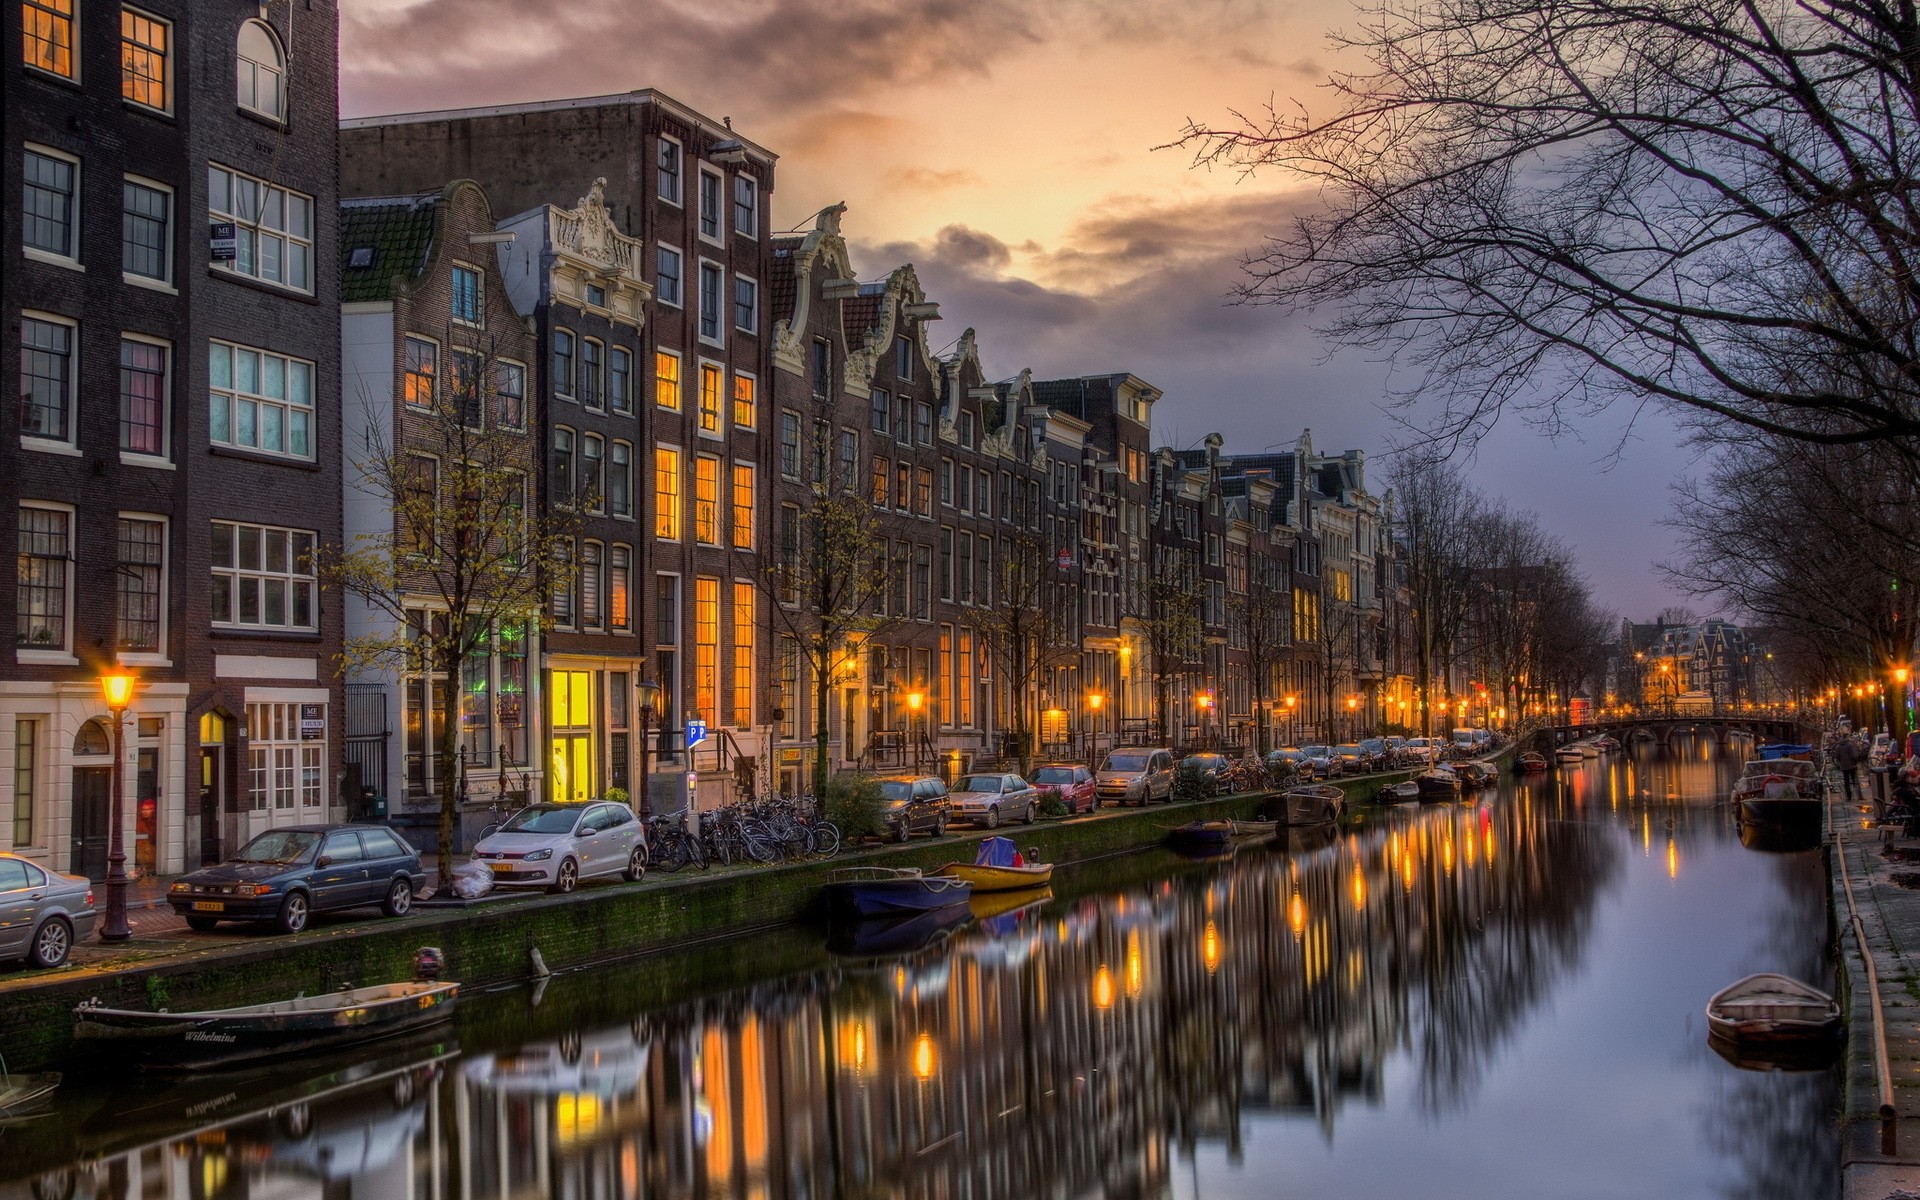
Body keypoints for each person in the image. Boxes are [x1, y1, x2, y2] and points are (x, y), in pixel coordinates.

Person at [1833, 731, 1865, 804]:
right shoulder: (1850, 745)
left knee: (1846, 782)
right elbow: (1855, 755)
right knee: (1855, 781)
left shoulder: (1839, 746)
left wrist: (1841, 763)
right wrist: (1855, 761)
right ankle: (1858, 796)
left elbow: (1836, 756)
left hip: (1844, 767)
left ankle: (1849, 796)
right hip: (1852, 766)